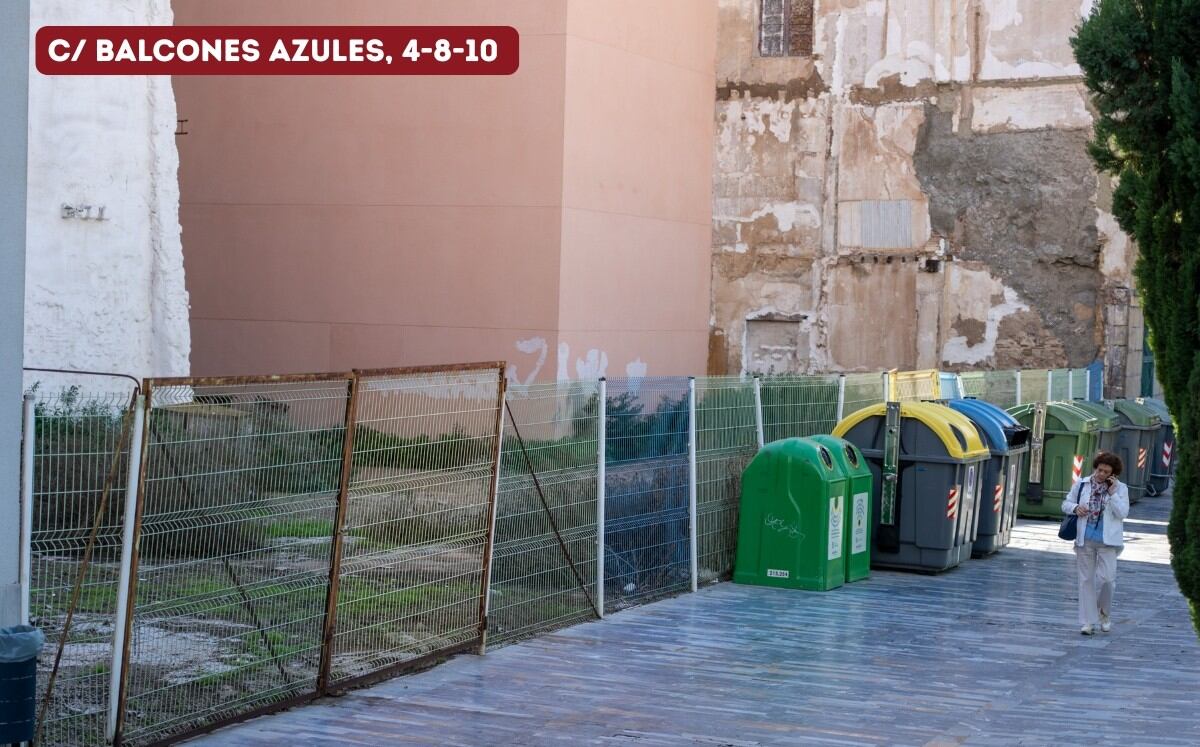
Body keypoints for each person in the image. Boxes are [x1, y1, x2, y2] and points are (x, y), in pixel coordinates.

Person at [1062, 452, 1129, 635]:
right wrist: (1076, 508)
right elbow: (1066, 503)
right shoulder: (1082, 484)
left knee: (1108, 579)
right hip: (1085, 539)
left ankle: (1103, 613)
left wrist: (1112, 493)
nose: (1101, 474)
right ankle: (1087, 622)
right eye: (1099, 470)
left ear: (1113, 474)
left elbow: (1123, 513)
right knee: (1085, 580)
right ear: (1095, 468)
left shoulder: (1121, 489)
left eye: (1106, 472)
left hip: (1108, 541)